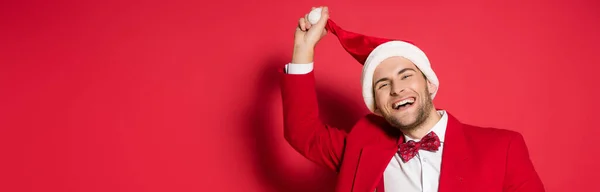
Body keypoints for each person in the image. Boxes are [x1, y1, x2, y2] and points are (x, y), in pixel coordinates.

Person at [280, 6, 544, 192]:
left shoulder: (504, 148)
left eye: (406, 76)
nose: (396, 89)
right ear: (377, 106)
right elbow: (303, 132)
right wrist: (303, 49)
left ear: (429, 84)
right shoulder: (362, 146)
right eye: (383, 84)